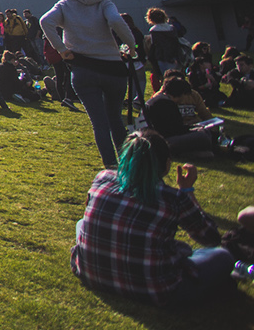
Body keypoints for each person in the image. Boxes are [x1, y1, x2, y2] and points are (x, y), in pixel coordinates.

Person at [71, 129, 235, 306]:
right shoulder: (173, 198)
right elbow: (210, 237)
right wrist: (187, 191)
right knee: (222, 256)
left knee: (81, 223)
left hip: (91, 274)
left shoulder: (102, 178)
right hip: (156, 289)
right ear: (166, 164)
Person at [40, 0, 136, 168]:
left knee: (99, 124)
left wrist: (62, 50)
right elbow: (117, 21)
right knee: (116, 119)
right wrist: (132, 47)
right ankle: (128, 165)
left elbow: (45, 21)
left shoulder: (65, 4)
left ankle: (110, 167)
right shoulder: (102, 1)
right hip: (112, 67)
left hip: (83, 67)